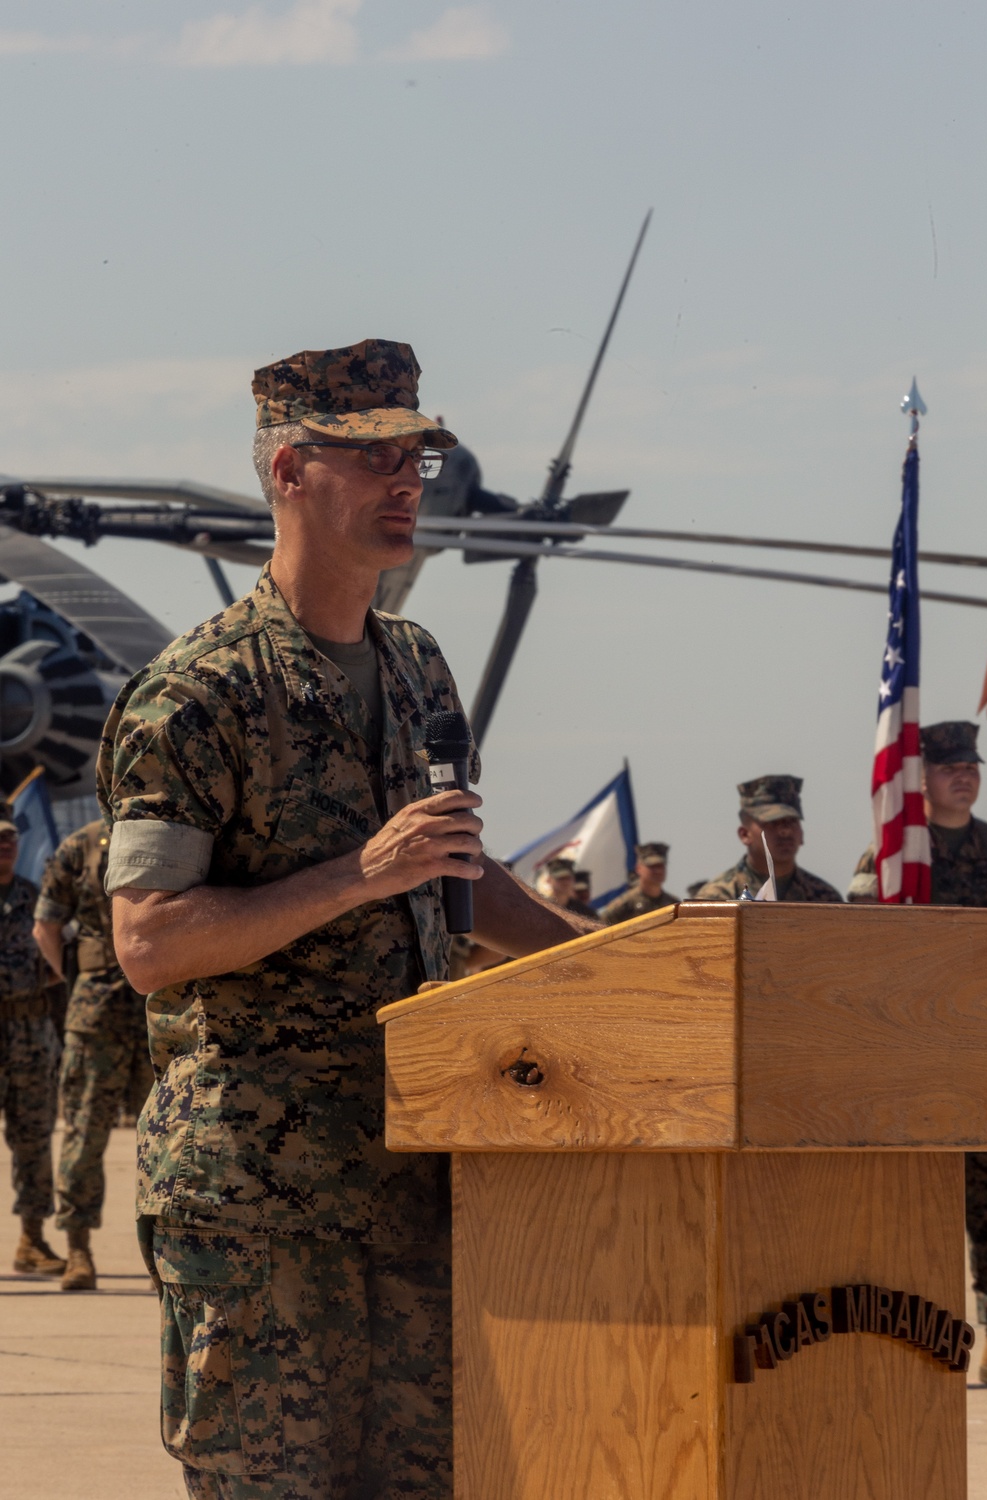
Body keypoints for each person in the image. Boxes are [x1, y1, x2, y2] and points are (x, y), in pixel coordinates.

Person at [97, 339, 597, 1499]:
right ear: (288, 471)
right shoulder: (197, 693)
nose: (406, 481)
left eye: (415, 454)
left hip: (414, 1177)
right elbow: (150, 944)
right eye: (372, 456)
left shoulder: (417, 665)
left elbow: (463, 880)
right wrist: (355, 876)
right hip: (259, 1206)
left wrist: (631, 965)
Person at [848, 719, 987, 1383]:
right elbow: (858, 958)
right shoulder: (891, 859)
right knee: (918, 1204)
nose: (963, 776)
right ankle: (918, 1338)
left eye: (971, 766)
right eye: (948, 768)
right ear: (921, 780)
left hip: (986, 1058)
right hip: (916, 1066)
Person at [33, 819, 153, 1292]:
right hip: (96, 1011)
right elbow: (46, 926)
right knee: (84, 1134)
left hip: (153, 1005)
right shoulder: (77, 846)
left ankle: (159, 1255)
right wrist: (79, 979)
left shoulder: (166, 832)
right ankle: (78, 1250)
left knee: (163, 1134)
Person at [0, 810, 65, 1277]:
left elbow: (60, 972)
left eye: (9, 839)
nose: (5, 846)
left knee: (35, 1140)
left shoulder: (36, 899)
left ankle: (31, 1240)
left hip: (31, 1034)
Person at [694, 776, 841, 902]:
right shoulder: (718, 898)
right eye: (772, 823)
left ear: (802, 834)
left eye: (791, 821)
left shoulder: (825, 898)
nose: (785, 831)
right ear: (745, 834)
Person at [601, 842, 680, 922]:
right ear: (638, 869)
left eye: (661, 866)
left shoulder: (673, 904)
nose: (658, 871)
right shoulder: (625, 905)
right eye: (652, 866)